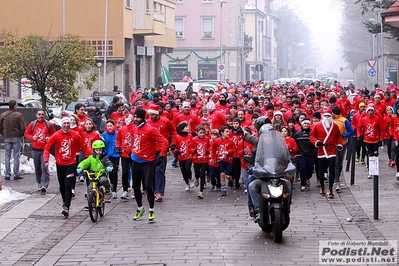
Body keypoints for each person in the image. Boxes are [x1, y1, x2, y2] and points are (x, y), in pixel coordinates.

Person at [44, 117, 92, 217]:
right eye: (64, 123)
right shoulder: (56, 135)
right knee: (62, 186)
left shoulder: (75, 135)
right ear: (61, 125)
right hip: (60, 163)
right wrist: (46, 159)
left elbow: (84, 146)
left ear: (70, 125)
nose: (66, 125)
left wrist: (92, 157)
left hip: (71, 163)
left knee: (68, 185)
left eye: (68, 123)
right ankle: (64, 202)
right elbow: (47, 147)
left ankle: (67, 207)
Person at [130, 108, 168, 222]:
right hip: (135, 160)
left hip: (147, 162)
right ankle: (140, 208)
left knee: (148, 186)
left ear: (143, 117)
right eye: (134, 117)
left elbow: (164, 141)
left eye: (137, 117)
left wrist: (161, 155)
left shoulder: (150, 130)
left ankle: (151, 210)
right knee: (136, 186)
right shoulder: (134, 127)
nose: (135, 119)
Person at [310, 110, 343, 199]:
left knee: (331, 169)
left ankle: (330, 188)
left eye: (329, 116)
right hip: (321, 149)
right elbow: (312, 136)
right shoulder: (317, 126)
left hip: (331, 149)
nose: (327, 118)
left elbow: (338, 136)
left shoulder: (335, 126)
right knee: (321, 169)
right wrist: (316, 142)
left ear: (331, 116)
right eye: (326, 116)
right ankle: (322, 186)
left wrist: (339, 144)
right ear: (323, 117)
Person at [147, 104, 177, 202]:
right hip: (150, 150)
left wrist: (173, 143)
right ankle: (153, 190)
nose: (150, 117)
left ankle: (159, 192)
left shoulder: (166, 121)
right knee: (150, 172)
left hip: (161, 150)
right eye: (149, 115)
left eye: (152, 115)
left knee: (159, 171)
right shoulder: (147, 123)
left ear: (157, 113)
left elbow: (173, 132)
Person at [24, 108, 56, 193]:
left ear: (45, 115)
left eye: (42, 114)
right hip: (35, 149)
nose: (41, 116)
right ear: (36, 115)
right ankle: (39, 182)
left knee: (44, 167)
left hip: (45, 149)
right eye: (39, 114)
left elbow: (54, 134)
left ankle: (44, 185)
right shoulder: (33, 124)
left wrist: (49, 138)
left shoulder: (49, 125)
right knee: (37, 168)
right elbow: (26, 133)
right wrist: (32, 137)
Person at [0, 100, 26, 180]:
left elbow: (0, 127)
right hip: (16, 137)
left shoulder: (3, 115)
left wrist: (3, 133)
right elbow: (22, 127)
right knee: (16, 155)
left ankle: (7, 174)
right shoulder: (18, 115)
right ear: (15, 105)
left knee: (7, 155)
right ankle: (16, 174)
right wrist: (21, 134)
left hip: (7, 137)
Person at [331, 106, 354, 192]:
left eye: (332, 113)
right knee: (335, 162)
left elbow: (351, 131)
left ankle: (337, 177)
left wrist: (343, 136)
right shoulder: (330, 120)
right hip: (332, 145)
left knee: (339, 162)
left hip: (342, 144)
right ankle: (336, 181)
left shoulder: (344, 120)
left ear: (334, 113)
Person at [211, 125, 235, 197]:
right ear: (222, 133)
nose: (228, 133)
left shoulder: (230, 141)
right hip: (220, 159)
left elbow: (234, 149)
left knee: (227, 175)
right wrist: (213, 157)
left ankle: (230, 179)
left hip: (228, 160)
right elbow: (213, 149)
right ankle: (223, 189)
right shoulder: (217, 141)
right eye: (226, 132)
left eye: (228, 131)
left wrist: (229, 151)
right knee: (222, 174)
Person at [102, 120, 120, 199]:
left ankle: (114, 190)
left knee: (114, 172)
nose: (109, 127)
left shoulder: (117, 134)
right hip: (106, 157)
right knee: (106, 173)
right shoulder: (104, 135)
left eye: (111, 126)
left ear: (114, 126)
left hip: (115, 156)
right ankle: (108, 187)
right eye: (108, 126)